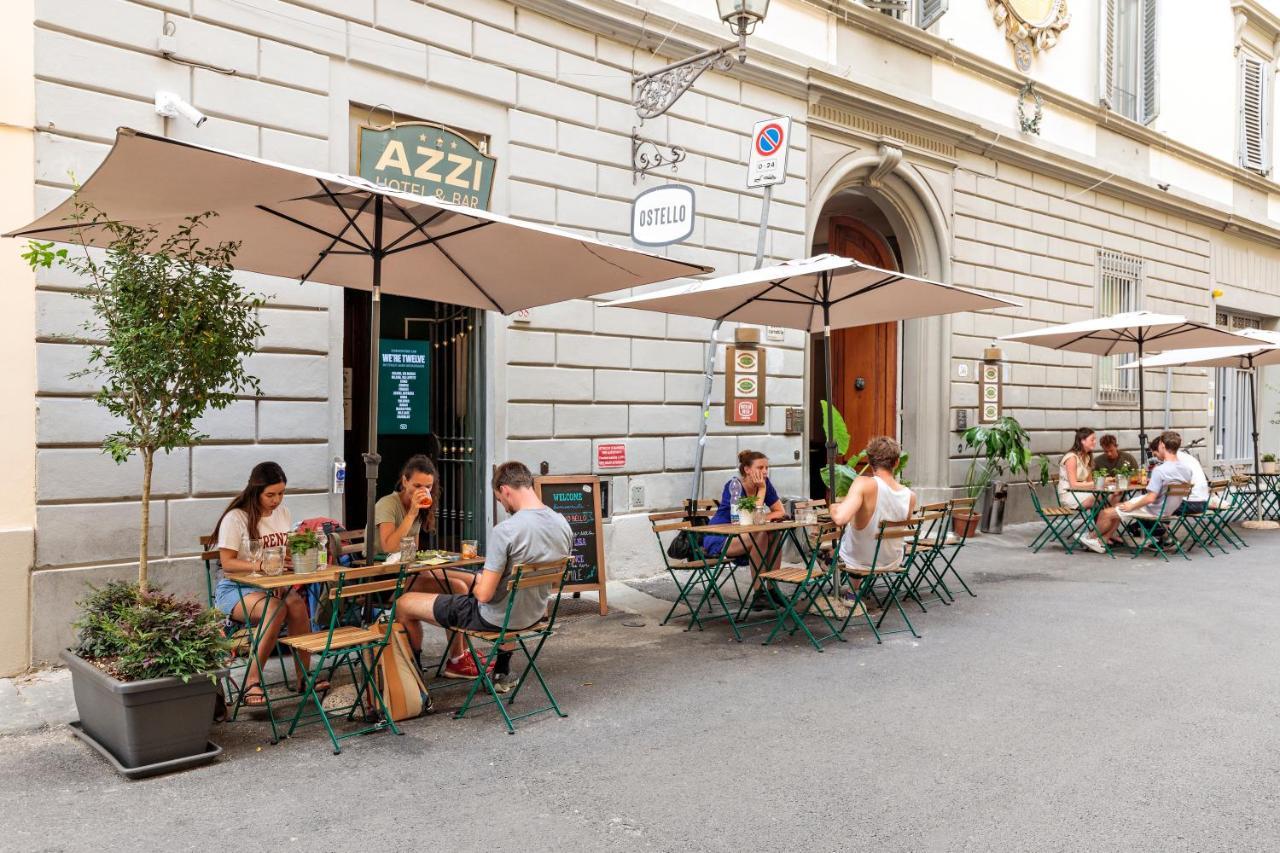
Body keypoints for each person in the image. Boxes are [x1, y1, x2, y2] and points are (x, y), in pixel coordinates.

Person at [396, 461, 571, 685]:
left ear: (505, 490)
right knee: (485, 596)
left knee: (405, 602)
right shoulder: (562, 523)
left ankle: (413, 676)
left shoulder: (506, 530)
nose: (503, 506)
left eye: (500, 500)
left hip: (493, 618)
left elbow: (484, 596)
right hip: (534, 614)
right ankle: (502, 670)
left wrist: (480, 583)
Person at [211, 462, 317, 706]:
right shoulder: (236, 518)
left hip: (272, 586)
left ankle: (304, 676)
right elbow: (227, 563)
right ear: (256, 490)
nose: (277, 500)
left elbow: (282, 550)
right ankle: (252, 680)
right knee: (276, 609)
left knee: (298, 605)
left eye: (281, 493)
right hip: (235, 589)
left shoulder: (283, 513)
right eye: (271, 494)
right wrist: (260, 566)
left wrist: (297, 553)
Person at [377, 455, 475, 658]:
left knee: (474, 581)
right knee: (458, 587)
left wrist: (432, 565)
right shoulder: (387, 504)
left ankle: (463, 653)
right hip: (384, 579)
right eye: (417, 485)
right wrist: (412, 512)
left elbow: (412, 552)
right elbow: (390, 546)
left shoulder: (422, 506)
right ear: (404, 481)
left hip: (408, 572)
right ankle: (457, 657)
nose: (422, 490)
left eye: (428, 486)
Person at [1086, 431, 1193, 553]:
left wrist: (1132, 506)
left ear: (1162, 445)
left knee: (1106, 513)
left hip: (1153, 510)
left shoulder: (1160, 470)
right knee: (1117, 507)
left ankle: (1091, 537)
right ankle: (1103, 540)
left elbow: (1151, 498)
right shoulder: (1187, 469)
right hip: (1169, 510)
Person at [830, 436, 917, 571]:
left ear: (870, 462)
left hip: (859, 560)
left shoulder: (864, 484)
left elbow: (840, 519)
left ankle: (853, 589)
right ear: (896, 462)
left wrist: (833, 507)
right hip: (892, 561)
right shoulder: (910, 496)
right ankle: (854, 589)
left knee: (827, 551)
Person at [700, 450, 787, 566]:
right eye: (760, 468)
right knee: (761, 536)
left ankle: (772, 583)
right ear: (747, 470)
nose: (765, 472)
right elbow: (751, 520)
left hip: (746, 535)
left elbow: (780, 511)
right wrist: (761, 490)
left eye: (767, 468)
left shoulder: (765, 483)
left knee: (774, 535)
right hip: (721, 537)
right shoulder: (734, 486)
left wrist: (762, 517)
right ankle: (758, 585)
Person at [1057, 428, 1098, 510]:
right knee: (1102, 499)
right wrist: (1098, 484)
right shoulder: (1071, 458)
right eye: (1092, 439)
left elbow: (1090, 482)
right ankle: (1102, 522)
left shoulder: (1087, 457)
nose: (1095, 442)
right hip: (1068, 495)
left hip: (1082, 493)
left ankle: (1103, 521)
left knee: (1111, 497)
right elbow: (1074, 485)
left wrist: (1103, 484)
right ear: (1083, 440)